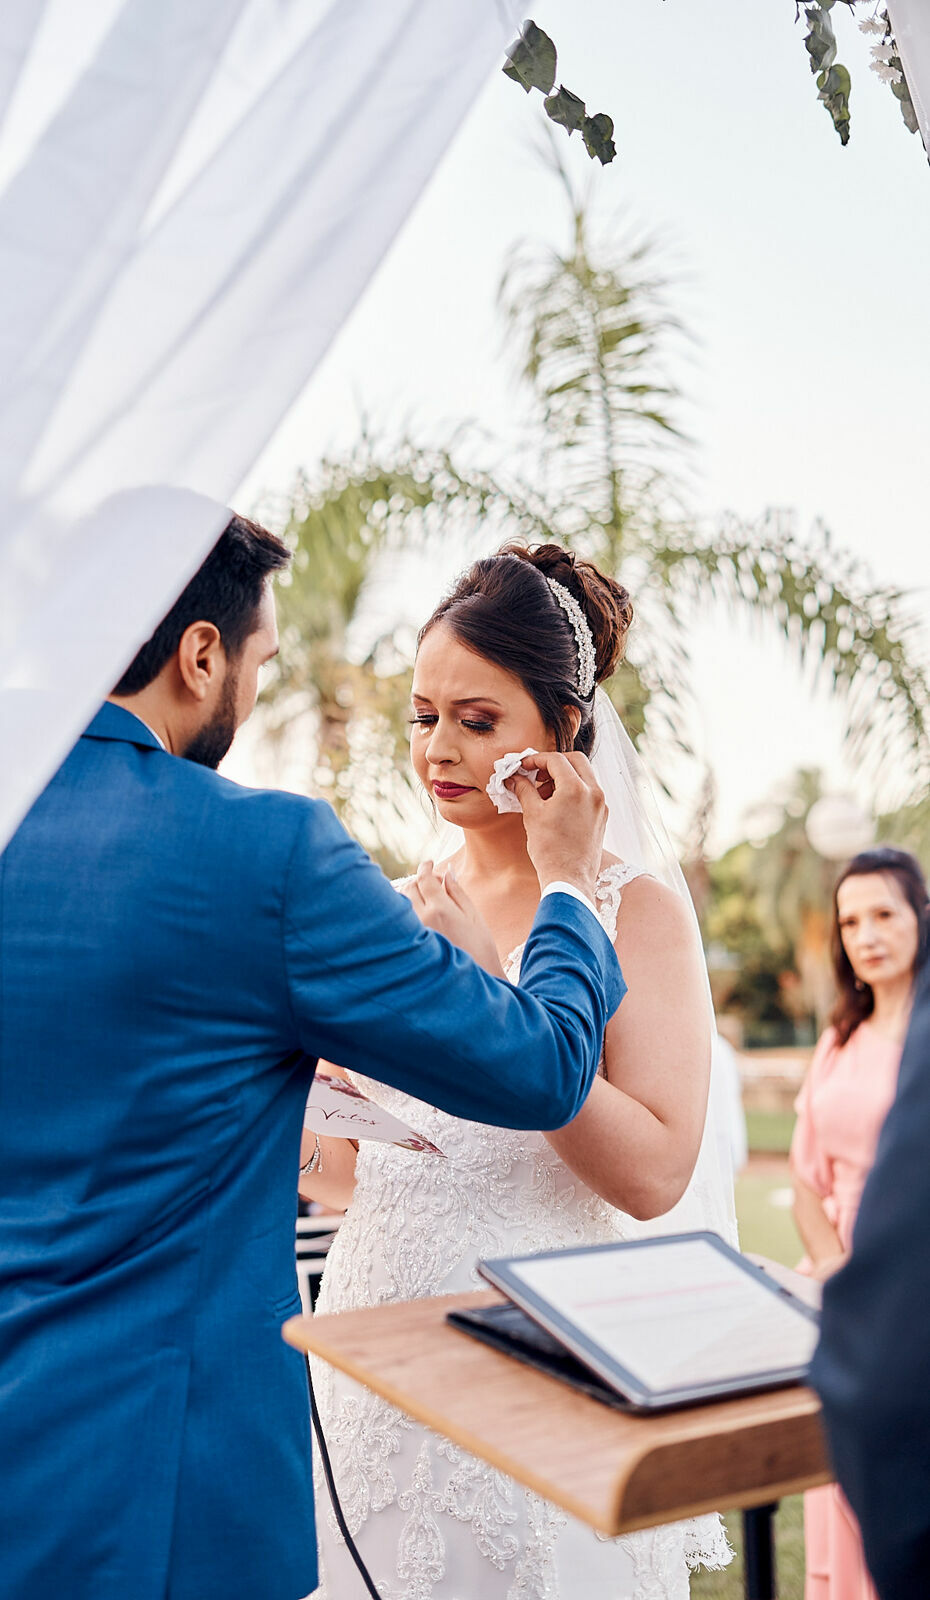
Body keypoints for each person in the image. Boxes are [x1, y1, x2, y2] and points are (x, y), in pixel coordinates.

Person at [0, 504, 627, 1600]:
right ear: (200, 653)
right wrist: (566, 885)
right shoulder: (264, 854)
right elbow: (545, 1065)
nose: (256, 689)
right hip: (158, 1506)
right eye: (260, 658)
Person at [302, 545, 735, 1600]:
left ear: (563, 732)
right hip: (375, 1353)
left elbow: (651, 1176)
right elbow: (357, 1173)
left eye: (476, 719)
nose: (437, 748)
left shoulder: (634, 913)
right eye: (420, 715)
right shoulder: (394, 908)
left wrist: (502, 994)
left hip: (542, 1349)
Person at [795, 848, 929, 1600]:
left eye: (884, 913)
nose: (867, 934)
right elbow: (807, 1179)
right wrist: (835, 1271)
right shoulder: (836, 1040)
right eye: (851, 920)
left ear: (921, 919)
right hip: (845, 1299)